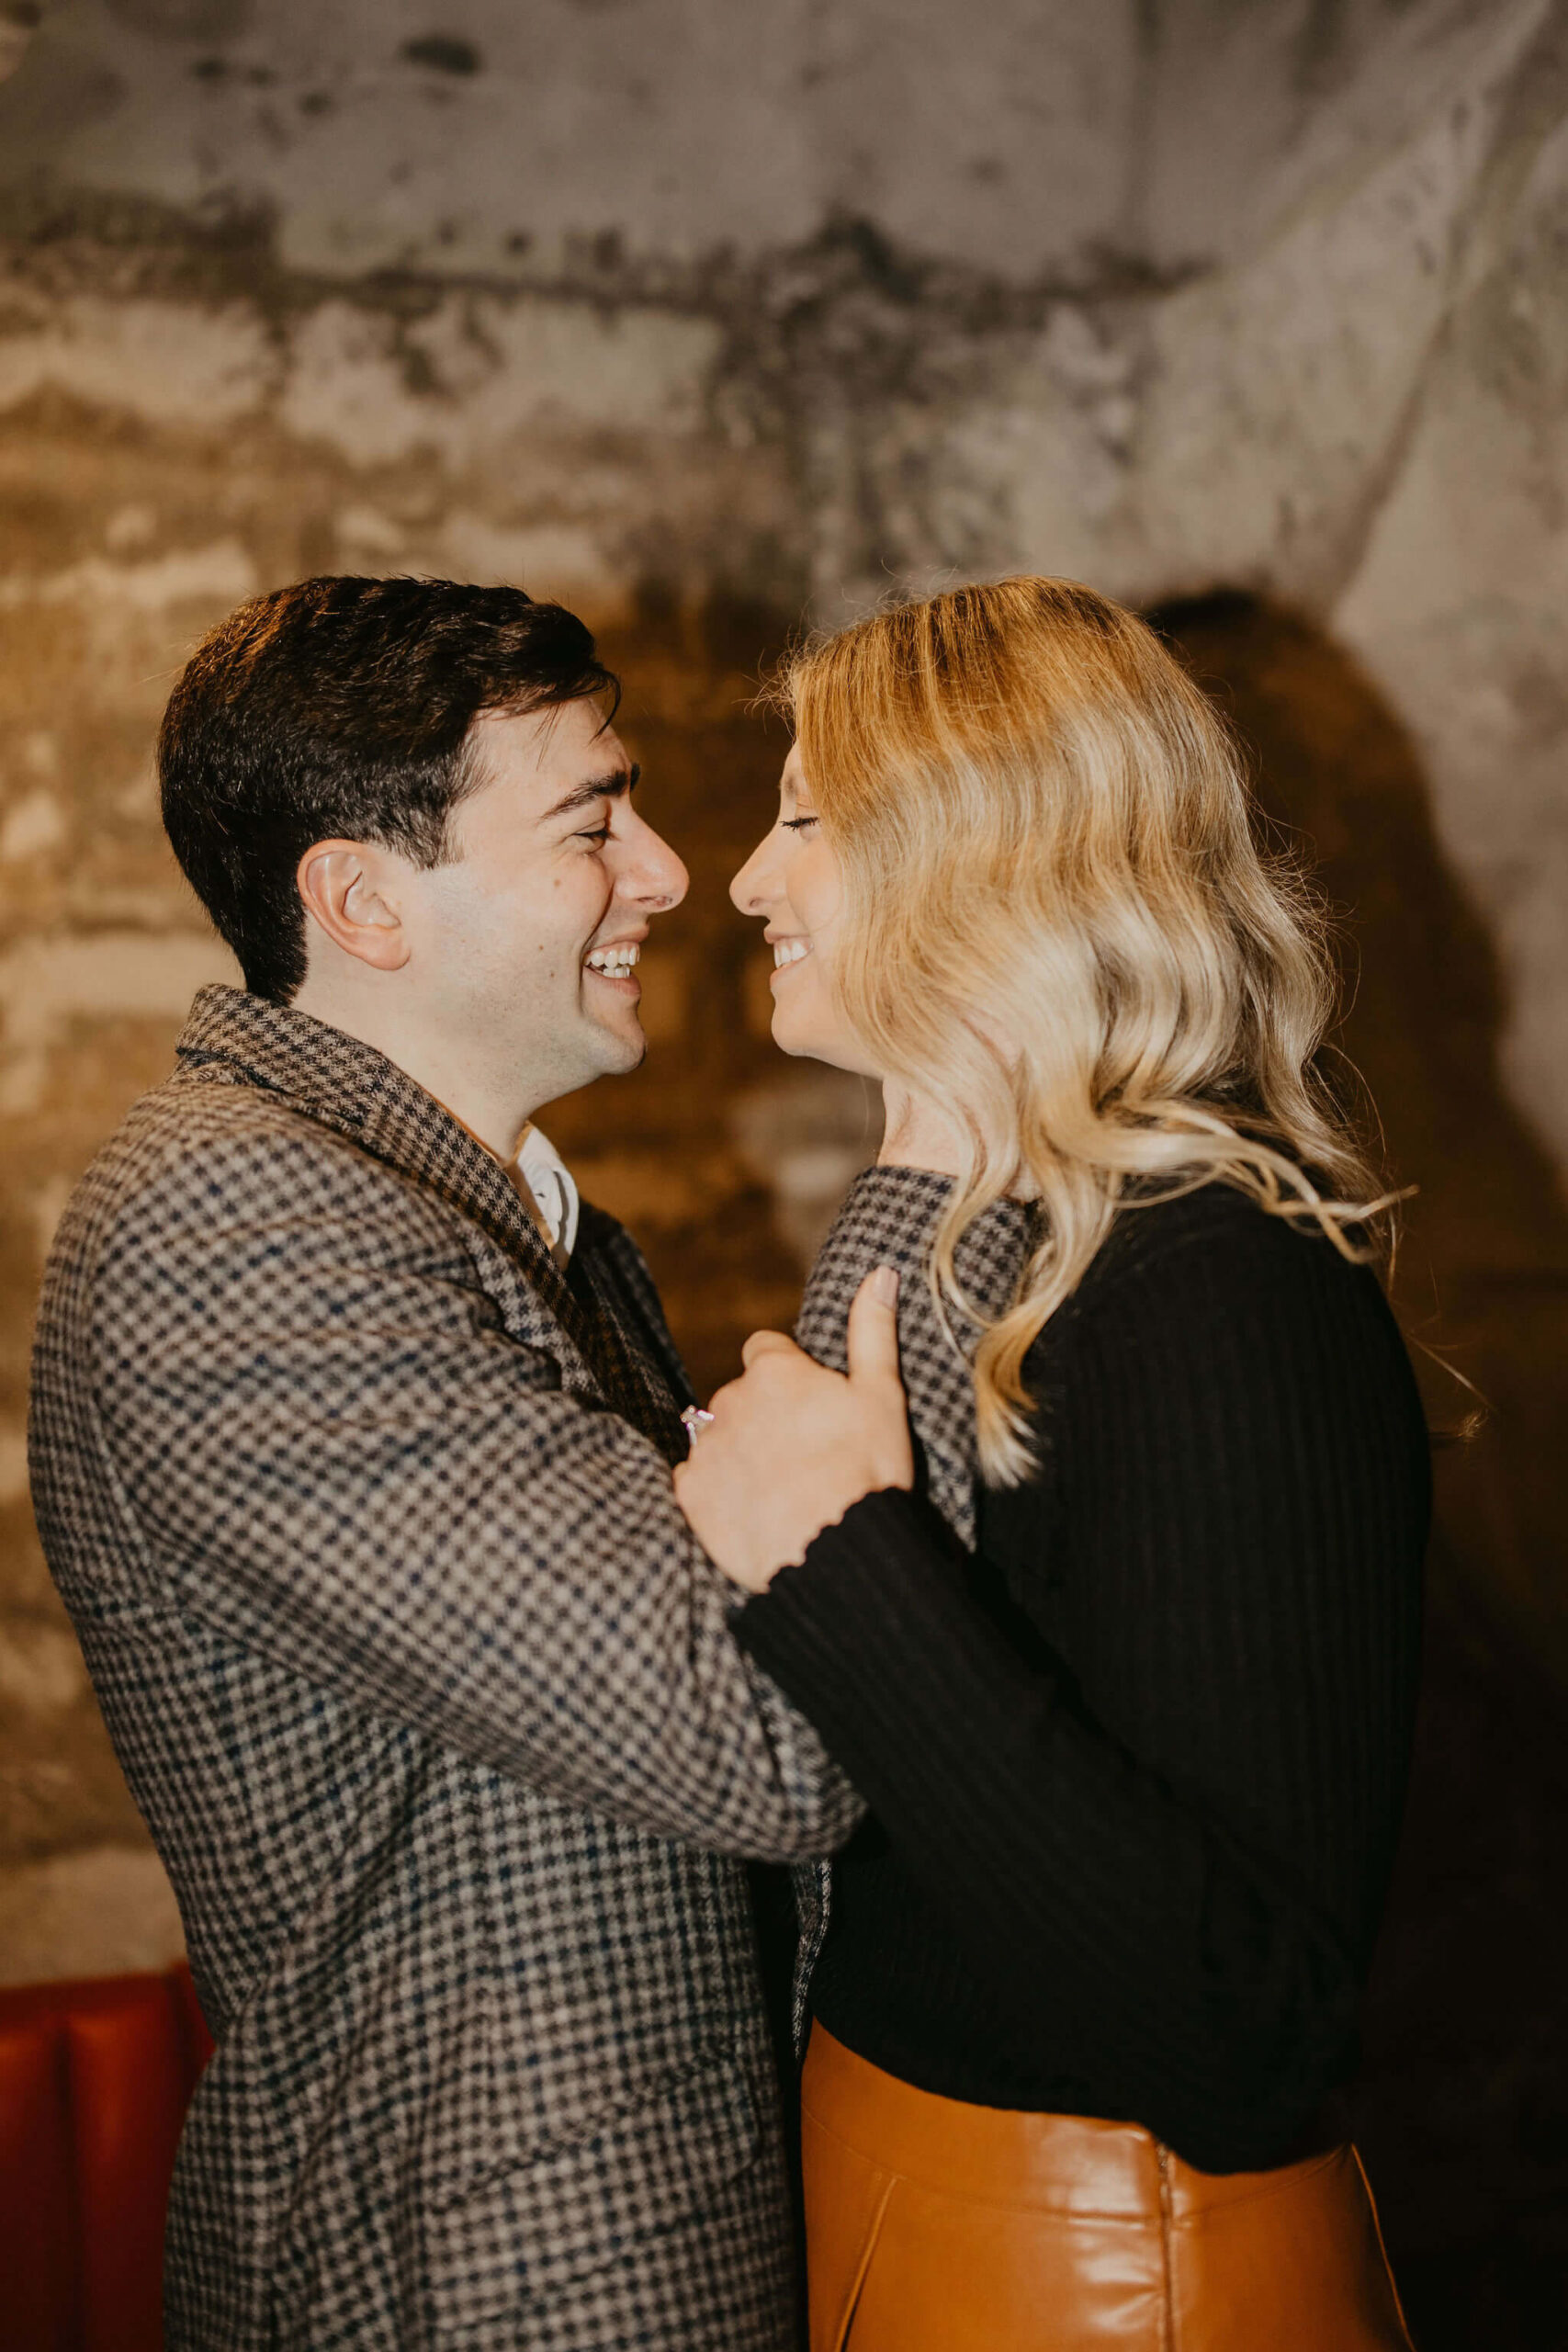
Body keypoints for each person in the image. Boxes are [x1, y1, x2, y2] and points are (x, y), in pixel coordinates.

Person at [27, 576, 865, 2352]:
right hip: (487, 2287)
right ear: (362, 901)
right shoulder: (239, 1222)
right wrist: (942, 1169)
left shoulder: (473, 1214)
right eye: (591, 819)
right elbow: (758, 1729)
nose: (666, 872)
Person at [675, 577, 1427, 2350]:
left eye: (803, 820)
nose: (745, 878)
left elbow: (1249, 2029)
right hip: (908, 2196)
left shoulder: (1218, 1279)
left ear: (980, 854)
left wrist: (839, 1562)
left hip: (1097, 2266)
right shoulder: (973, 1248)